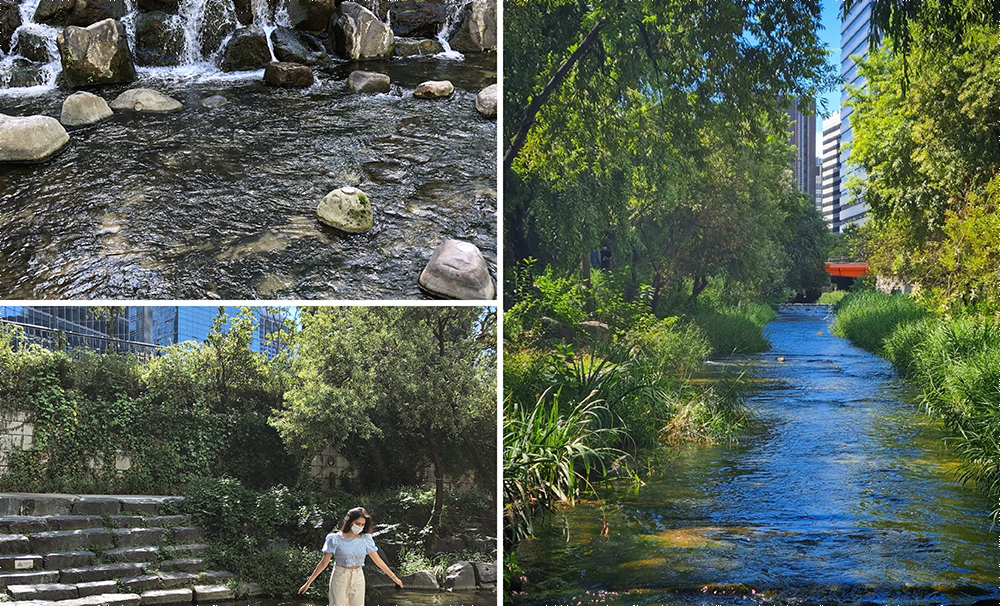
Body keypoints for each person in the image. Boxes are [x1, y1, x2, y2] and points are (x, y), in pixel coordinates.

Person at [298, 507, 403, 606]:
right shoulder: (334, 538)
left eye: (362, 524)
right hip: (340, 576)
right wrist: (308, 582)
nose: (360, 527)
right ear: (349, 521)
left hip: (358, 576)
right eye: (357, 523)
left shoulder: (366, 539)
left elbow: (378, 561)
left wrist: (394, 577)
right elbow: (323, 563)